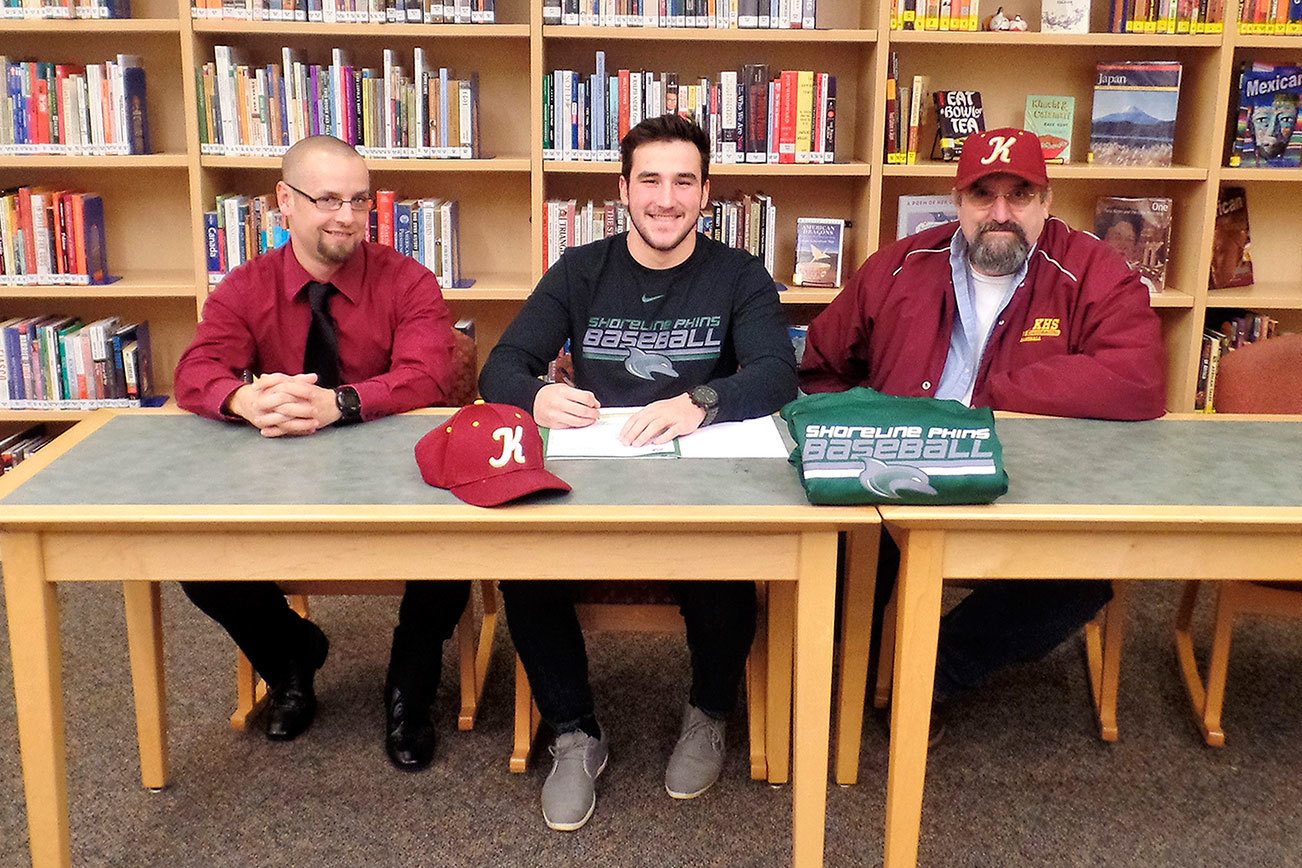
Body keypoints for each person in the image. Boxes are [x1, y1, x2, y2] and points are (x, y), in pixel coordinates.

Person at [479, 114, 797, 831]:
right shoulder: (579, 270)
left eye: (684, 181)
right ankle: (573, 734)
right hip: (592, 472)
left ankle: (708, 712)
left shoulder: (737, 273)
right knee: (526, 567)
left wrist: (702, 400)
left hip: (697, 475)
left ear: (706, 194)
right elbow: (498, 365)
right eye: (649, 180)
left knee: (727, 570)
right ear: (622, 189)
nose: (665, 198)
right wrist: (536, 393)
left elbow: (779, 373)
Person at [799, 127, 1165, 737]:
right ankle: (853, 679)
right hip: (903, 467)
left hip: (1030, 477)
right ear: (957, 200)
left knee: (1080, 576)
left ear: (1046, 201)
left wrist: (983, 397)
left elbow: (1140, 379)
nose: (1001, 213)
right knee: (844, 544)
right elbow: (821, 364)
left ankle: (934, 670)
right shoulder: (898, 265)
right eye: (982, 196)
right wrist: (870, 428)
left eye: (1019, 195)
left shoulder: (1092, 270)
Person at [173, 135, 468, 772]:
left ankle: (409, 688)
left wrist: (343, 403)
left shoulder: (409, 280)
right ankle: (290, 657)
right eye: (327, 199)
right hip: (281, 472)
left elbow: (431, 375)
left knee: (452, 540)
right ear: (284, 201)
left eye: (359, 201)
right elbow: (195, 371)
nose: (346, 217)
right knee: (196, 558)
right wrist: (242, 401)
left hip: (396, 470)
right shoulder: (245, 287)